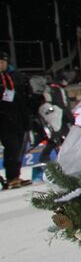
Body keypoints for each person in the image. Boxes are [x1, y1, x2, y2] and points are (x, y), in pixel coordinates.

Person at [0, 52, 34, 189]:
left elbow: (26, 96)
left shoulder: (17, 77)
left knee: (19, 149)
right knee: (12, 148)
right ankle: (12, 177)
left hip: (20, 120)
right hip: (4, 121)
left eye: (2, 62)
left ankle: (15, 176)